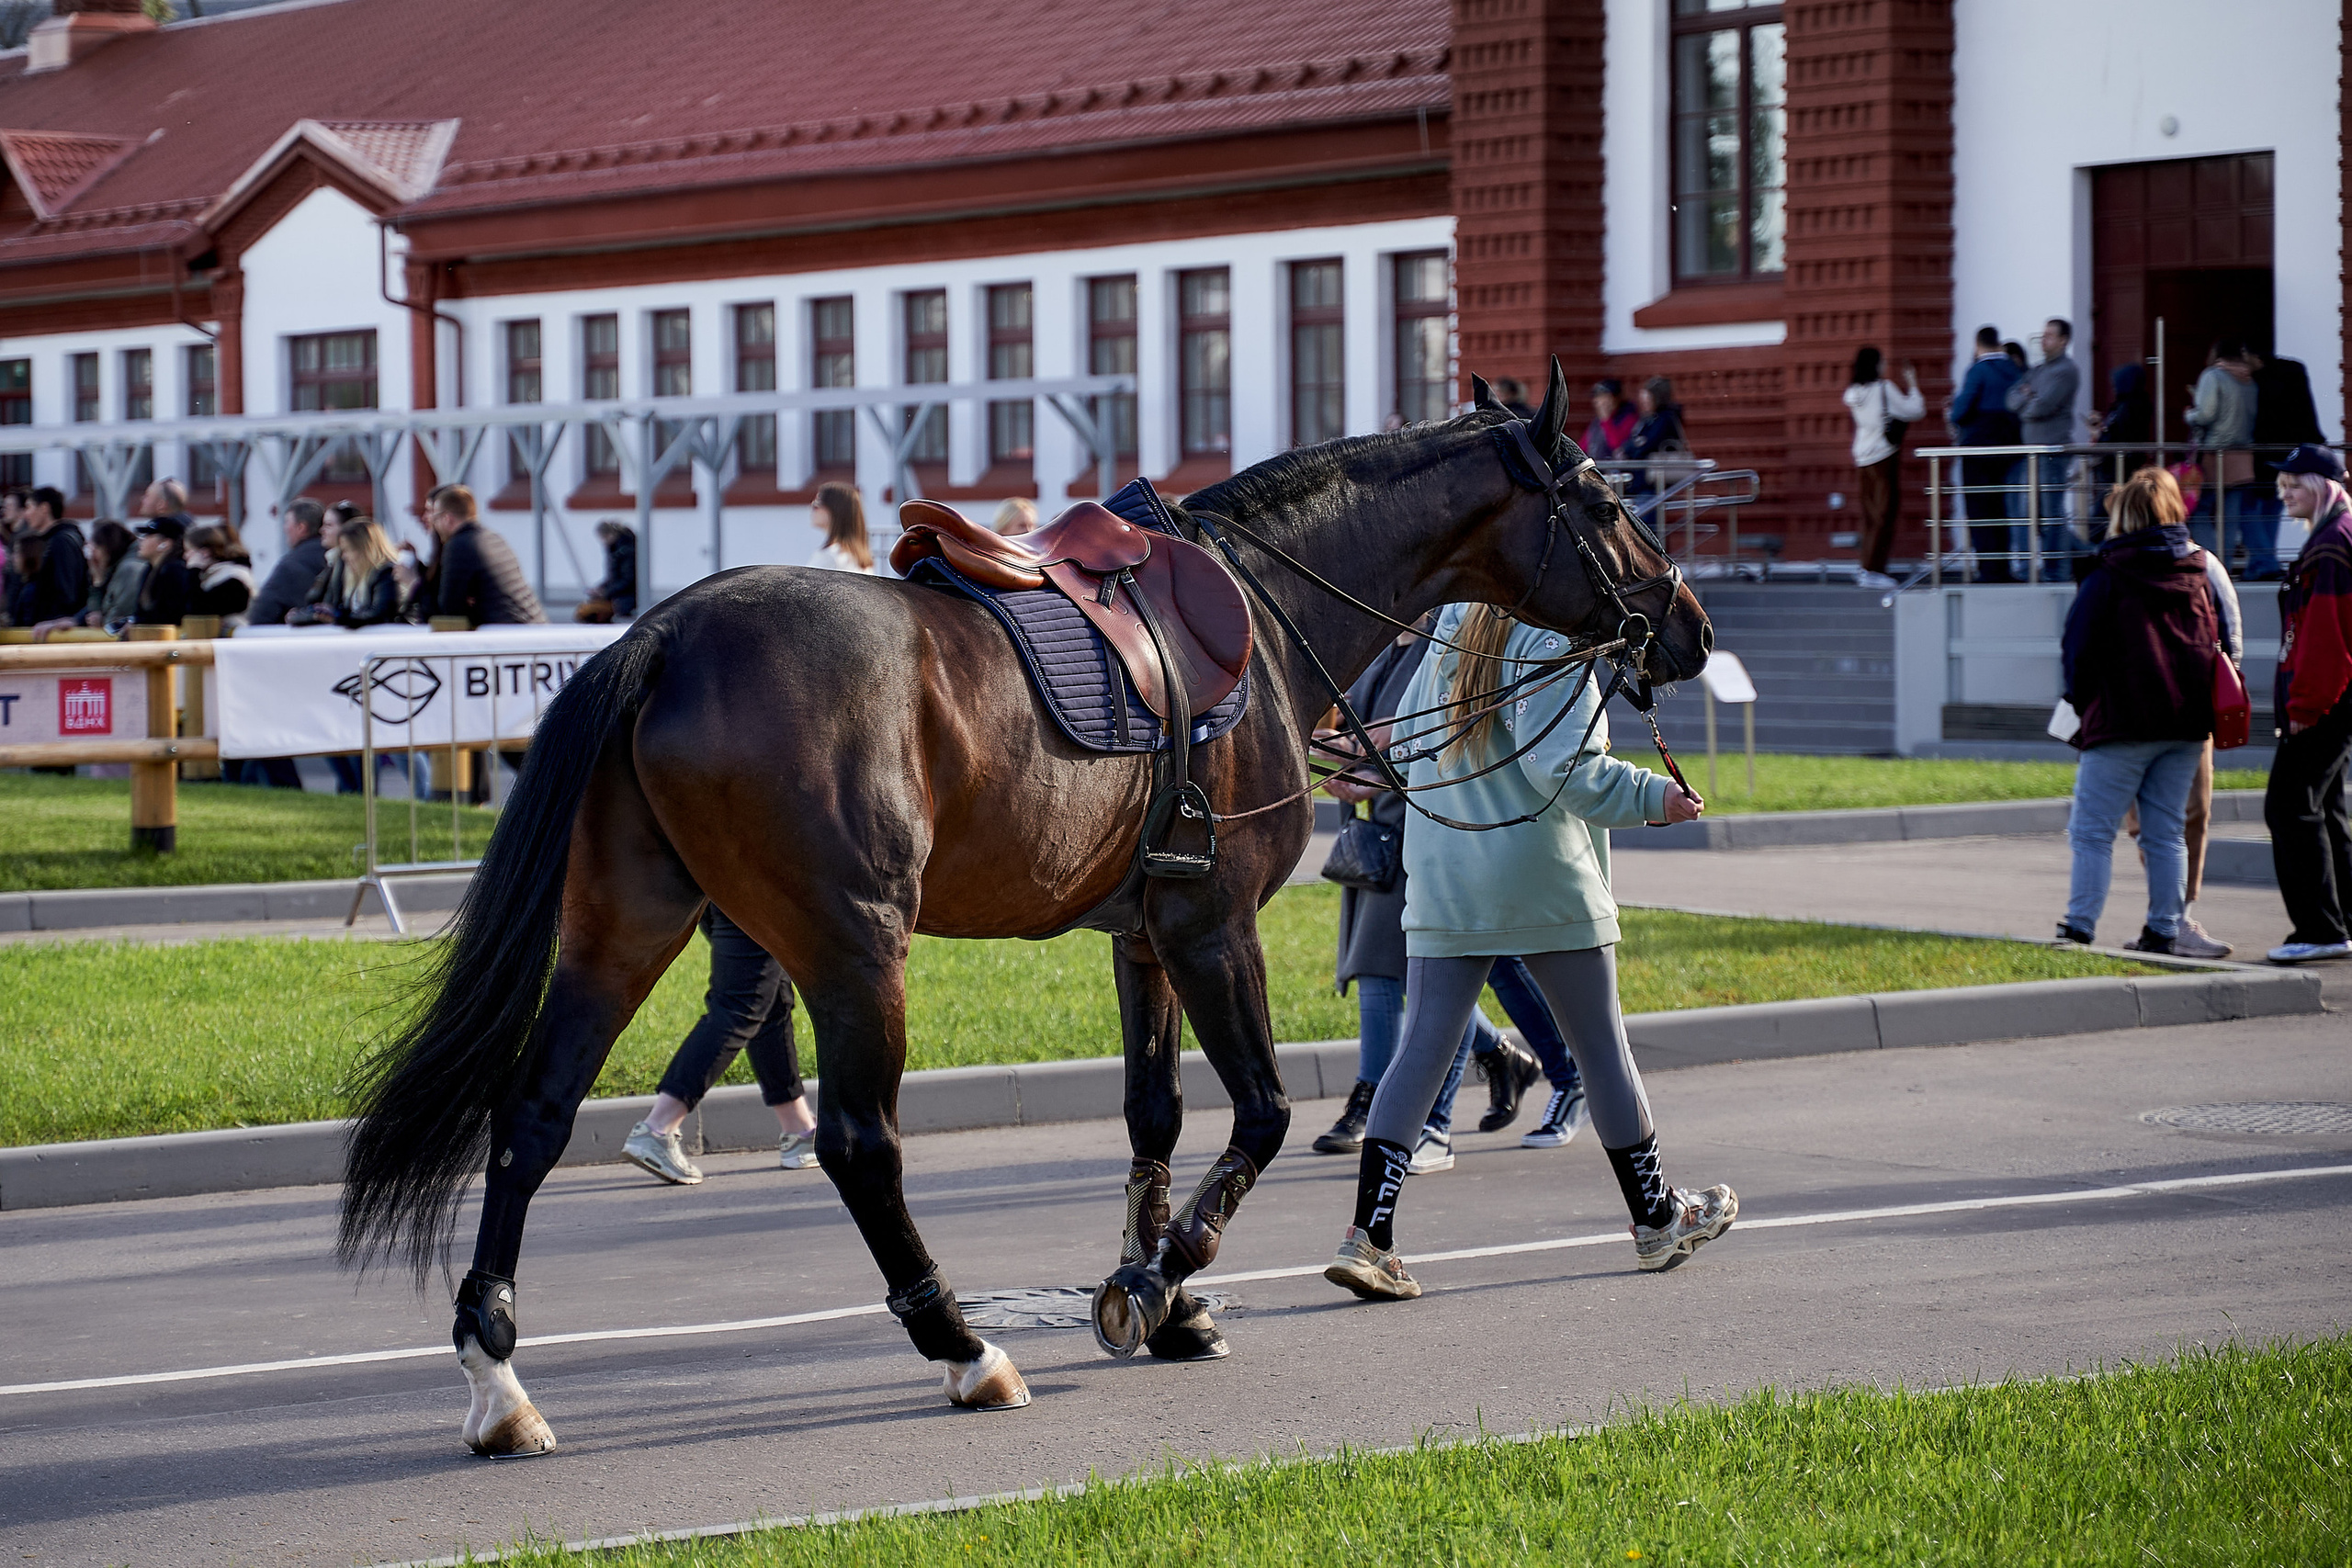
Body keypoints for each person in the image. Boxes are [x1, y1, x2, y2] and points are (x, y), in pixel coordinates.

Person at [1322, 603, 1732, 1302]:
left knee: (1419, 1050)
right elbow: (1568, 773)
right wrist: (1657, 797)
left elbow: (1422, 738)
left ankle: (1370, 1239)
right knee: (1602, 1050)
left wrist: (1367, 755)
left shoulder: (1452, 620)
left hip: (1447, 873)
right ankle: (1657, 1217)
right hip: (1543, 878)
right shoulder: (1554, 637)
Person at [1311, 630, 1550, 1173]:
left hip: (1420, 825)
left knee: (1383, 970)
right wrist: (1336, 764)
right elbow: (1350, 733)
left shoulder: (1440, 645)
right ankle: (1497, 1054)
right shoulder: (1380, 649)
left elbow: (1446, 736)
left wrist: (1374, 774)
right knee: (1412, 976)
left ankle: (1372, 1098)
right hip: (1374, 832)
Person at [2053, 468, 2222, 955]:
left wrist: (2083, 707)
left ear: (2123, 515)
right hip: (2186, 724)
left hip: (2122, 721)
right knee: (2166, 830)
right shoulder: (2197, 571)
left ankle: (2080, 926)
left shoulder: (2108, 573)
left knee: (2091, 831)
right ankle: (2164, 929)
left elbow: (2077, 651)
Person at [622, 908, 821, 1182]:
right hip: (755, 883)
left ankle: (799, 1129)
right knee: (741, 1005)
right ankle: (658, 1128)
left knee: (770, 998)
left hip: (719, 889)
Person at [2262, 445, 2352, 964]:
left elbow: (2326, 637)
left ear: (2323, 486)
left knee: (2290, 805)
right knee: (2327, 809)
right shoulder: (2331, 538)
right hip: (2332, 697)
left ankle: (2319, 930)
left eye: (2296, 483)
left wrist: (2305, 704)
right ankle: (2338, 924)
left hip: (2327, 700)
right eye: (2283, 485)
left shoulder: (2332, 545)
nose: (2286, 492)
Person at [2006, 318, 2083, 579]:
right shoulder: (2038, 370)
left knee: (2051, 511)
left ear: (2063, 340)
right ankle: (2083, 554)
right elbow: (2011, 399)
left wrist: (2027, 400)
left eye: (2050, 335)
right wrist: (2028, 398)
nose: (2044, 339)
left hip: (2053, 451)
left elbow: (2043, 406)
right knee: (2035, 512)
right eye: (2043, 334)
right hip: (2033, 451)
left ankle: (2056, 570)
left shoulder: (2066, 370)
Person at [1948, 326, 2025, 581]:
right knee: (2003, 508)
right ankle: (2003, 567)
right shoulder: (2015, 370)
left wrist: (1953, 414)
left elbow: (1960, 411)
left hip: (1978, 449)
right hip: (2011, 449)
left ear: (1977, 344)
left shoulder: (1979, 370)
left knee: (1980, 509)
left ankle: (1988, 570)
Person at [1842, 347, 1924, 582]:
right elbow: (1915, 410)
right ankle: (1873, 570)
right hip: (1884, 456)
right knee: (1884, 514)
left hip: (1862, 456)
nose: (1885, 366)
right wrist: (1913, 384)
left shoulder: (1854, 393)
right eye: (1882, 362)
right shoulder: (1883, 389)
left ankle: (1866, 566)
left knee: (1870, 515)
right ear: (1875, 364)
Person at [2245, 347, 2325, 580]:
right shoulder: (2294, 373)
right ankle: (2260, 564)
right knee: (2273, 506)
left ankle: (2264, 562)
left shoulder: (2261, 381)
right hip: (2292, 453)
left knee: (2249, 509)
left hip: (2263, 454)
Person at [2181, 339, 2256, 569]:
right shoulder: (2248, 380)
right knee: (2230, 517)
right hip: (2243, 455)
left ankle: (2212, 562)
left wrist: (2189, 415)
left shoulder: (2213, 376)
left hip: (2216, 454)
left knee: (2198, 511)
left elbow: (2206, 415)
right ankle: (2225, 564)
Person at [421, 485, 545, 626]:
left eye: (435, 518)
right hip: (534, 626)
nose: (434, 524)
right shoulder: (493, 538)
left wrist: (472, 606)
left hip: (508, 635)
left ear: (447, 518)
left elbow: (451, 608)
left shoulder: (459, 545)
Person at [7, 486, 87, 627]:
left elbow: (66, 592)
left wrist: (55, 621)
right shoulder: (49, 541)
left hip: (56, 632)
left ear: (44, 508)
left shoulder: (61, 541)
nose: (26, 515)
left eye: (29, 507)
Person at [246, 500, 328, 627]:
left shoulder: (291, 565)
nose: (284, 528)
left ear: (301, 527)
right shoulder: (341, 559)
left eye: (287, 522)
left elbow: (262, 613)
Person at [1619, 376, 1688, 519]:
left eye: (1647, 398)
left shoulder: (1666, 418)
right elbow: (1633, 442)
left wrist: (1633, 447)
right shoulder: (1647, 419)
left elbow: (1647, 444)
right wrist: (1632, 447)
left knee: (1647, 521)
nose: (1644, 403)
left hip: (1653, 482)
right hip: (1641, 481)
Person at [185, 525, 255, 627]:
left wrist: (194, 571)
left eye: (188, 551)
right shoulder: (211, 575)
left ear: (204, 553)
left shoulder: (234, 578)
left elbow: (198, 609)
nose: (185, 556)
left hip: (235, 638)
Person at [131, 514, 194, 625]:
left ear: (165, 543)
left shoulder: (174, 570)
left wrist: (140, 623)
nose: (142, 540)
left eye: (148, 535)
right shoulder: (149, 569)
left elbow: (170, 615)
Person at [574, 520, 638, 623]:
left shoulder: (624, 551)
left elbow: (628, 580)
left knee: (590, 612)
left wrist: (606, 591)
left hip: (626, 597)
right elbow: (615, 578)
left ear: (611, 535)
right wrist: (602, 588)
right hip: (620, 595)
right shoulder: (617, 549)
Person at [806, 480, 876, 573]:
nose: (812, 507)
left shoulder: (830, 556)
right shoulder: (863, 559)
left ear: (834, 510)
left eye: (817, 503)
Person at [1580, 379, 1636, 460]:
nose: (1599, 402)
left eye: (1604, 397)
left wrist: (1606, 420)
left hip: (1616, 469)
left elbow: (1617, 446)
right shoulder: (1597, 423)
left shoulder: (1628, 418)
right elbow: (1583, 446)